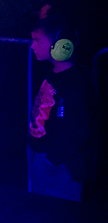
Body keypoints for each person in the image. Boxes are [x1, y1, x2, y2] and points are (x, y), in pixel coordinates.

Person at [27, 15, 96, 201]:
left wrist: (51, 160)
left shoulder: (76, 82)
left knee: (60, 216)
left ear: (61, 45)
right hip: (42, 158)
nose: (33, 46)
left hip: (61, 167)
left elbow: (81, 129)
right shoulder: (51, 73)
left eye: (38, 41)